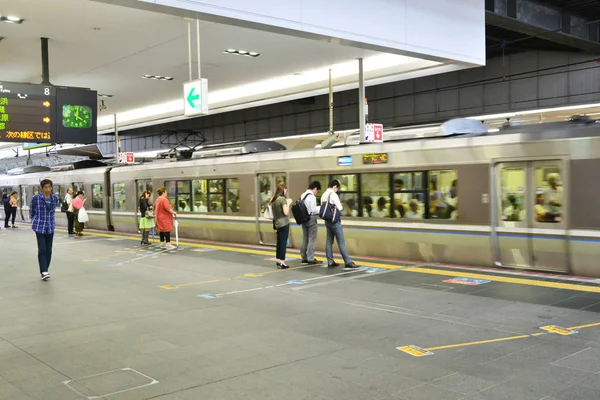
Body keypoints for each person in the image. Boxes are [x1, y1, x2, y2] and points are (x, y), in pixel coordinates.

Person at [320, 180, 359, 269]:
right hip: (335, 221)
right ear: (334, 187)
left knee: (329, 241)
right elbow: (340, 208)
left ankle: (330, 261)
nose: (337, 190)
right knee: (341, 242)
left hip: (327, 221)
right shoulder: (333, 194)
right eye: (337, 188)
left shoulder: (323, 195)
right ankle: (348, 261)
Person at [29, 179, 59, 280]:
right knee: (42, 249)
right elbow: (32, 210)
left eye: (49, 187)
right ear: (42, 188)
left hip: (50, 226)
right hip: (39, 226)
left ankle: (45, 269)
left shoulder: (54, 198)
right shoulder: (36, 198)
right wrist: (34, 220)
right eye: (46, 187)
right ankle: (44, 271)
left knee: (49, 250)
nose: (48, 189)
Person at [269, 182, 293, 269]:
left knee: (279, 243)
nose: (286, 191)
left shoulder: (274, 199)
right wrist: (288, 203)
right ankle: (282, 262)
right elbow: (285, 212)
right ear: (283, 190)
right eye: (285, 189)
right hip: (284, 223)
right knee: (283, 243)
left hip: (277, 223)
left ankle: (278, 260)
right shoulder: (282, 199)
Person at [300, 181, 321, 265]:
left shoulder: (303, 195)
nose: (317, 193)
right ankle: (311, 258)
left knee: (305, 238)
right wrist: (321, 208)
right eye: (317, 191)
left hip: (303, 218)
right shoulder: (312, 197)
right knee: (312, 239)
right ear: (315, 189)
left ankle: (304, 257)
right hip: (311, 218)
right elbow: (313, 210)